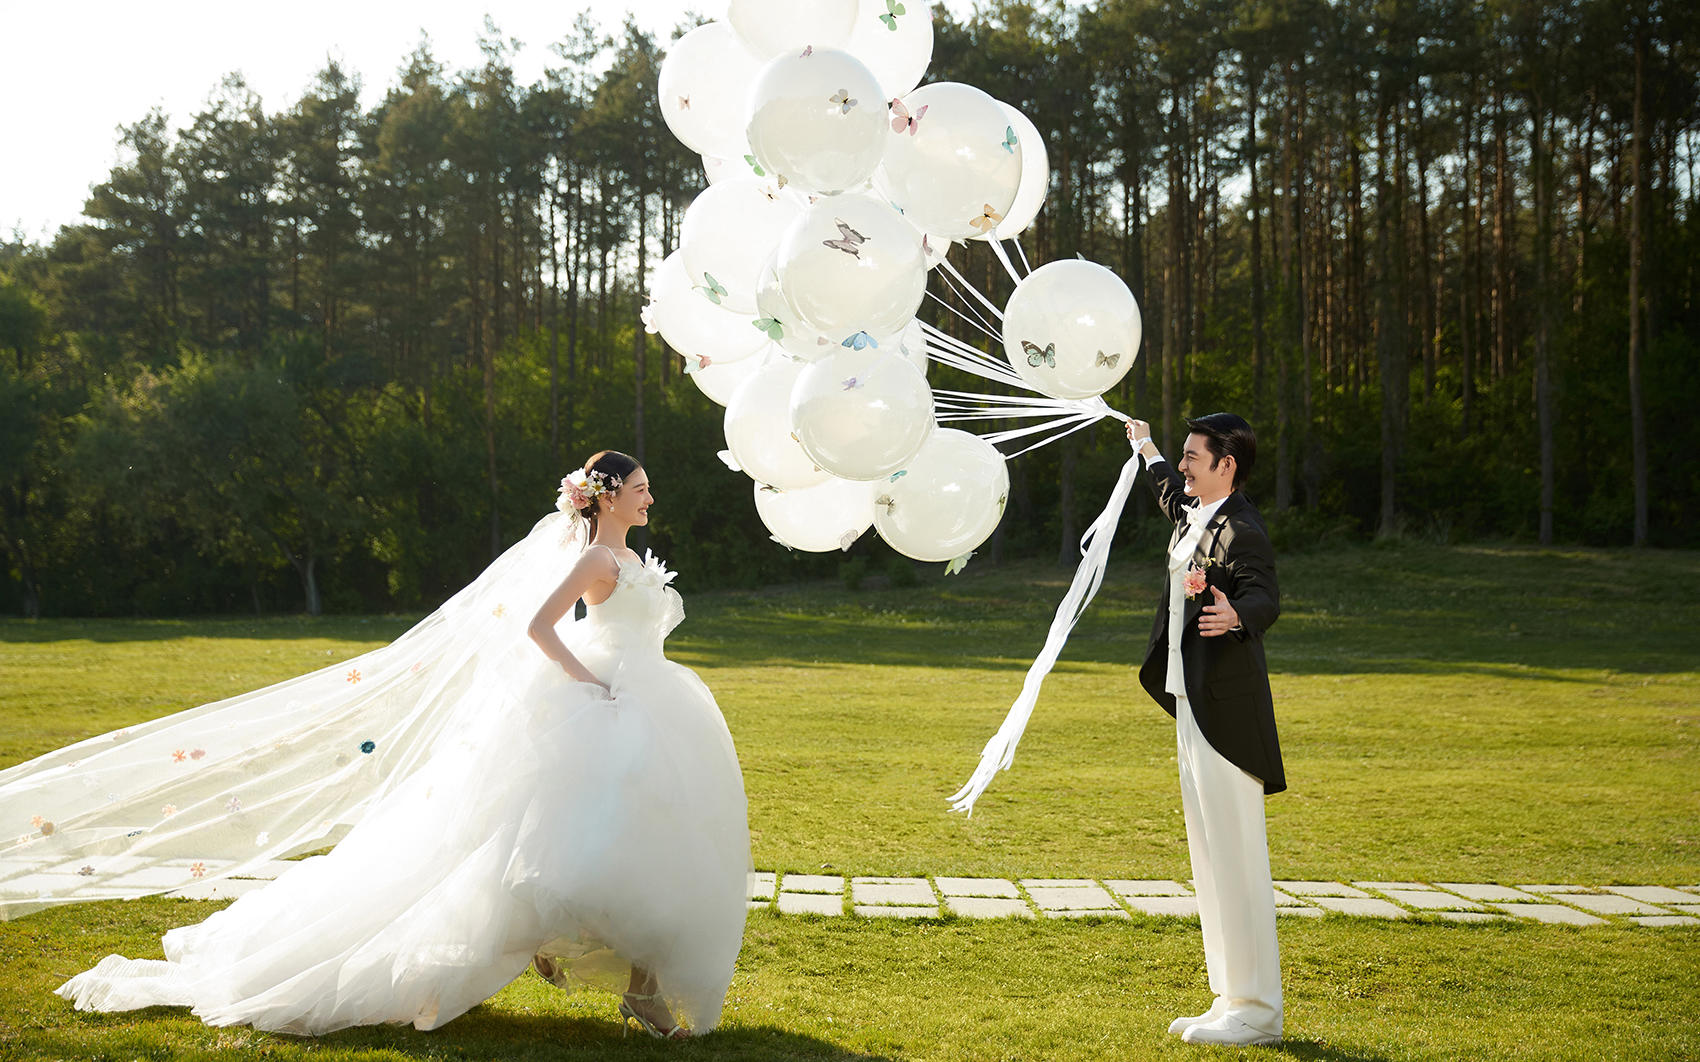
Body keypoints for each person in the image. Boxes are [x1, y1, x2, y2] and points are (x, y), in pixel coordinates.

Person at [20, 450, 748, 1040]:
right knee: (557, 844)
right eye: (642, 489)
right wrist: (591, 683)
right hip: (604, 700)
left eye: (649, 489)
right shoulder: (593, 563)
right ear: (608, 496)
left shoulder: (631, 562)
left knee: (646, 836)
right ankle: (587, 961)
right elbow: (539, 628)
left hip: (649, 699)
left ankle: (638, 982)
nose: (651, 499)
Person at [1126, 414, 1285, 1048]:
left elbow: (1265, 594)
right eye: (1185, 456)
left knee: (1238, 857)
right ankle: (1230, 998)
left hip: (1227, 712)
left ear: (1227, 466)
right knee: (1210, 854)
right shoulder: (1198, 511)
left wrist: (1235, 615)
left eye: (1194, 457)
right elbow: (1169, 491)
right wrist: (1146, 448)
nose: (1185, 466)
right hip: (1192, 701)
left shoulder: (1241, 530)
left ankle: (1259, 1011)